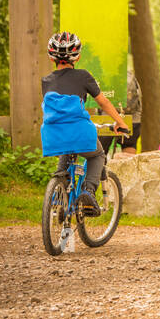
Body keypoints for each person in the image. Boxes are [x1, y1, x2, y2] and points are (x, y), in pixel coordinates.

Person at [40, 32, 130, 215]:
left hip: (52, 134)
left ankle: (58, 196)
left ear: (51, 58)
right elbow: (103, 102)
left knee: (67, 152)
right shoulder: (83, 76)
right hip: (79, 132)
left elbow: (58, 111)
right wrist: (119, 122)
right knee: (97, 156)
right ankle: (88, 192)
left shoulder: (46, 81)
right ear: (78, 56)